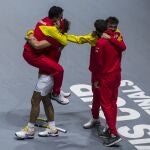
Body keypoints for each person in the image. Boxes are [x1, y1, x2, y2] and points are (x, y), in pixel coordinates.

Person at [39, 17, 126, 146]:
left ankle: (113, 133)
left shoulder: (100, 42)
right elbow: (122, 47)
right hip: (115, 74)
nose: (113, 29)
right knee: (110, 102)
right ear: (106, 28)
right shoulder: (116, 36)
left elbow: (99, 64)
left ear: (98, 30)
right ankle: (104, 125)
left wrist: (97, 80)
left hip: (104, 76)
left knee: (106, 104)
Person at [15, 6, 70, 139]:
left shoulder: (54, 38)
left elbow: (37, 45)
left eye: (60, 22)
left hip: (48, 75)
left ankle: (29, 130)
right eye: (59, 18)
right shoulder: (48, 26)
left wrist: (30, 37)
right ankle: (52, 128)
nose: (59, 21)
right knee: (45, 100)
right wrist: (31, 33)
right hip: (45, 69)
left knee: (35, 101)